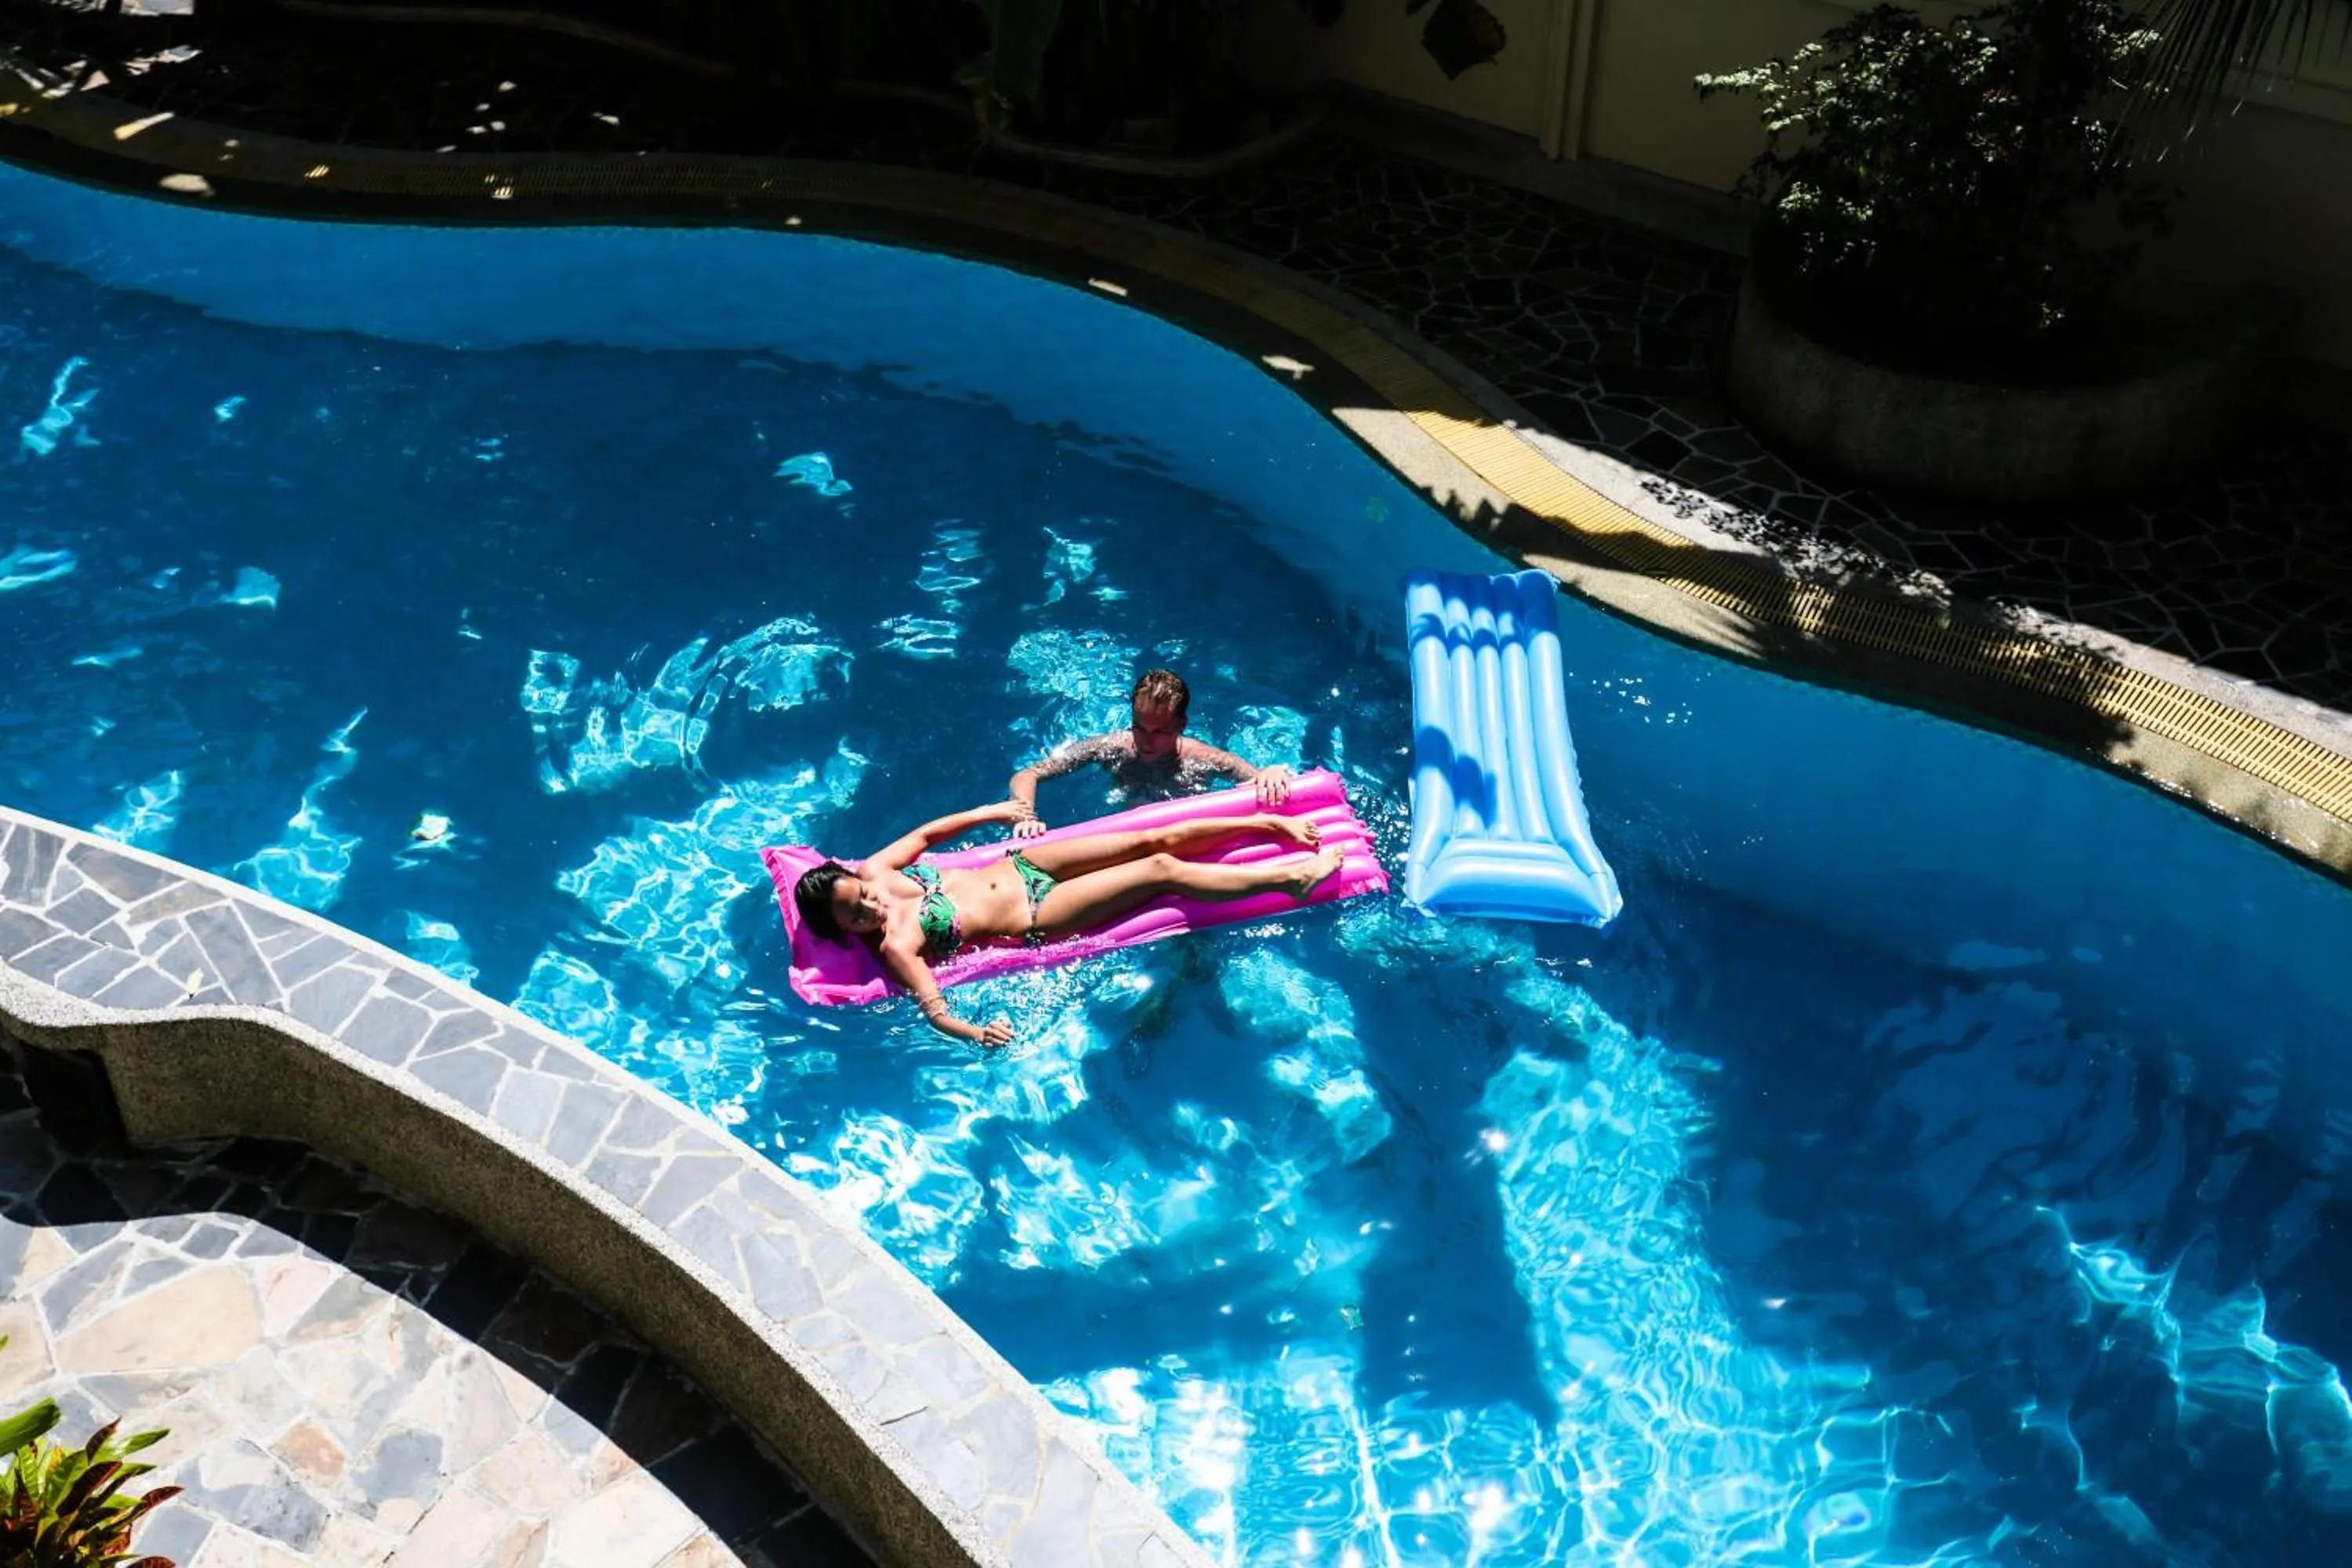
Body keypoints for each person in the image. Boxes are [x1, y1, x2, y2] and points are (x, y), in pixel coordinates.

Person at [794, 798, 1341, 1046]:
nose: (871, 906)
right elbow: (933, 1007)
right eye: (855, 914)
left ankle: (1261, 821)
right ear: (839, 927)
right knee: (1160, 870)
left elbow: (927, 836)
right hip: (1038, 914)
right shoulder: (897, 946)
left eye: (861, 895)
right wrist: (973, 1031)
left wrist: (992, 813)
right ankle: (1292, 881)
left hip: (1023, 864)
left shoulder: (877, 871)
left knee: (1150, 838)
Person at [1007, 669, 1292, 839]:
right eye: (1139, 728)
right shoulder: (1110, 749)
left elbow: (1259, 779)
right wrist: (1026, 817)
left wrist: (1272, 771)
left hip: (1183, 837)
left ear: (1181, 726)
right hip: (1127, 835)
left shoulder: (1205, 759)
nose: (1146, 741)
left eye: (1160, 732)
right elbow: (1028, 774)